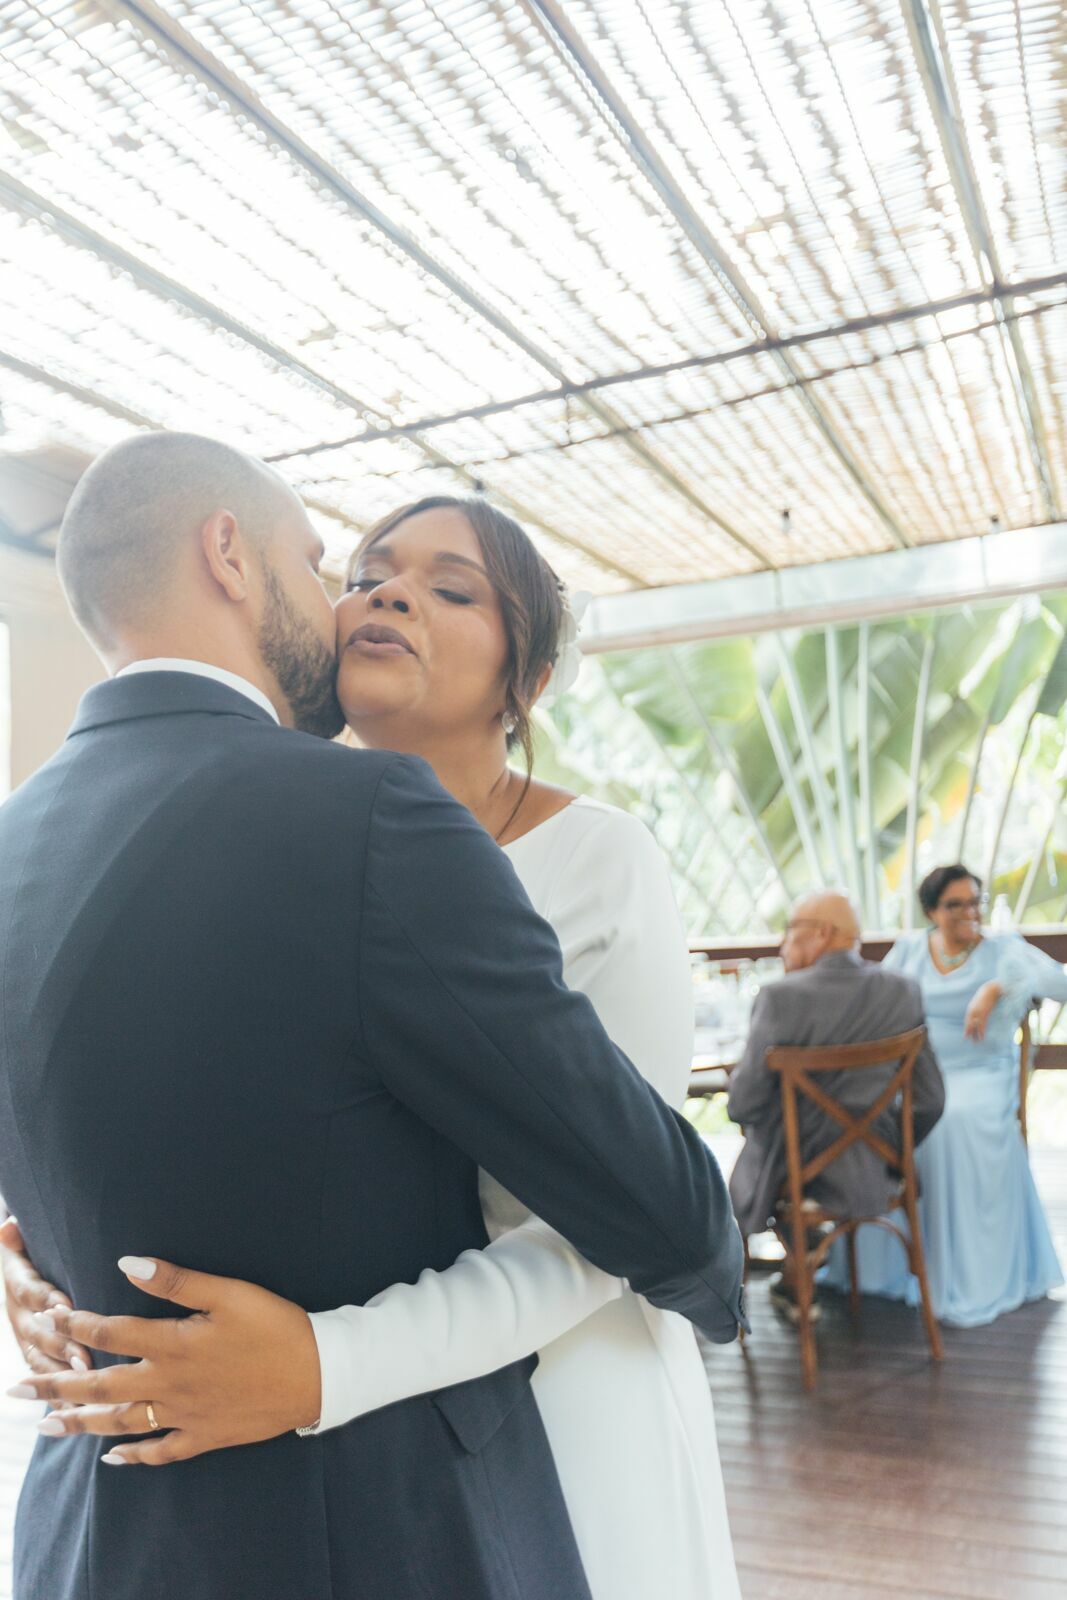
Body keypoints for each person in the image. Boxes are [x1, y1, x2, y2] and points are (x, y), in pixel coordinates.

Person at [0, 437, 745, 1600]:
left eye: (453, 589)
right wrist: (36, 1263)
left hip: (546, 1399)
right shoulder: (331, 823)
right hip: (357, 1498)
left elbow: (626, 1207)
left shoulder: (585, 854)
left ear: (525, 677)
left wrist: (315, 1361)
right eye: (348, 569)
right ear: (230, 560)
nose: (380, 594)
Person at [822, 864, 1065, 1326]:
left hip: (980, 1072)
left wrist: (999, 987)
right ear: (932, 910)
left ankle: (957, 1277)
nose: (970, 912)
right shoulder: (911, 950)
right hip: (915, 1073)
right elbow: (873, 997)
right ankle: (881, 1270)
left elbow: (1062, 984)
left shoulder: (1004, 951)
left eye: (976, 901)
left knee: (949, 1120)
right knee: (866, 1114)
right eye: (957, 904)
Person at [727, 891, 944, 1321]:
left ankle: (798, 1260)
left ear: (822, 934)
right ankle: (798, 1271)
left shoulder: (779, 997)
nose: (782, 947)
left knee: (758, 1150)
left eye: (790, 933)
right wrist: (889, 1150)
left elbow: (742, 1104)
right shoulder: (903, 991)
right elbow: (932, 1099)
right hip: (872, 1170)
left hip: (795, 1174)